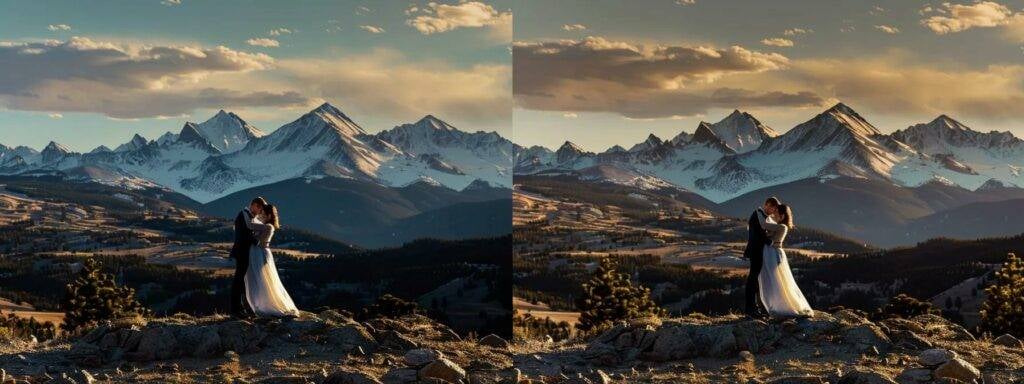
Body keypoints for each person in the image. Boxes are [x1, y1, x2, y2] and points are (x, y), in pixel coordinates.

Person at [242, 200, 300, 317]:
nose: (260, 215)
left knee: (263, 281)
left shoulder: (268, 226)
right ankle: (259, 306)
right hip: (257, 254)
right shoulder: (265, 225)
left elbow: (249, 225)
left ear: (268, 215)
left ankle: (266, 306)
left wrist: (245, 212)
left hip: (260, 255)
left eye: (263, 214)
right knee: (260, 280)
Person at [757, 203, 813, 317]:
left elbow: (762, 224)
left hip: (773, 255)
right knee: (774, 281)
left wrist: (761, 212)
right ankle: (774, 306)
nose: (773, 215)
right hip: (771, 254)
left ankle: (781, 307)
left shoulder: (782, 227)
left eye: (776, 213)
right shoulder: (779, 226)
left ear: (782, 216)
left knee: (776, 281)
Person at [743, 197, 780, 318]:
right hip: (756, 251)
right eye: (773, 208)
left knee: (755, 280)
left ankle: (755, 307)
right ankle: (750, 308)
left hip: (758, 251)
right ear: (767, 205)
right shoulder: (758, 215)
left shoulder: (762, 216)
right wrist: (772, 243)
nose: (773, 212)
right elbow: (759, 234)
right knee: (753, 279)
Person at [229, 198, 262, 318]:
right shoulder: (243, 214)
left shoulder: (248, 216)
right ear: (253, 205)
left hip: (244, 252)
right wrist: (256, 241)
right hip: (241, 252)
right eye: (259, 209)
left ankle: (241, 308)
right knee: (238, 280)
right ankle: (235, 309)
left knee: (241, 281)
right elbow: (245, 234)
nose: (259, 212)